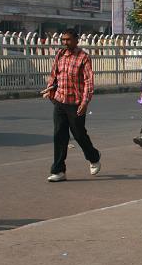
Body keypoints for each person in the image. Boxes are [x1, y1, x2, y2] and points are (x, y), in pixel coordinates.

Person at [42, 29, 101, 183]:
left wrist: (85, 102)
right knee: (59, 135)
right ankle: (58, 170)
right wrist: (50, 89)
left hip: (75, 103)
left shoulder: (83, 57)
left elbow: (88, 81)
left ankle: (94, 157)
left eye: (68, 39)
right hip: (60, 101)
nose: (65, 42)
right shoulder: (60, 55)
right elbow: (54, 75)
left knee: (79, 134)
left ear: (76, 40)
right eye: (63, 39)